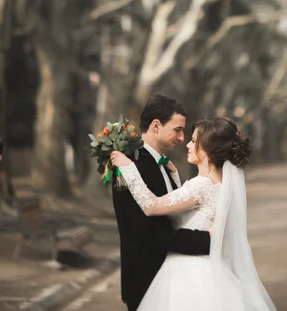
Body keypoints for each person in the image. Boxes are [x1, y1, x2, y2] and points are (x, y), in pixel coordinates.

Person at [111, 116, 277, 311]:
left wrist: (128, 168)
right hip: (209, 270)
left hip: (187, 271)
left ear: (207, 148)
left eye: (193, 140)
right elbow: (192, 211)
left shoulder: (201, 185)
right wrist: (174, 176)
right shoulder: (220, 184)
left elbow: (151, 206)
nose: (187, 144)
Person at [111, 94, 211, 311]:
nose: (182, 137)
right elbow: (149, 232)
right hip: (146, 279)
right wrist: (209, 240)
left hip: (173, 279)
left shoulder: (165, 165)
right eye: (177, 129)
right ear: (156, 126)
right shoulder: (129, 165)